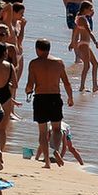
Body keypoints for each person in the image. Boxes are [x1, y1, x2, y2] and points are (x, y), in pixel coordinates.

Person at [23, 38, 74, 168]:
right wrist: (70, 97)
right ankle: (55, 150)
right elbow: (66, 83)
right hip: (55, 97)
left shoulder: (34, 64)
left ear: (37, 49)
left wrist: (28, 91)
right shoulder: (58, 62)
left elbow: (30, 84)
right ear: (49, 49)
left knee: (43, 132)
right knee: (56, 129)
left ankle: (46, 161)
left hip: (40, 98)